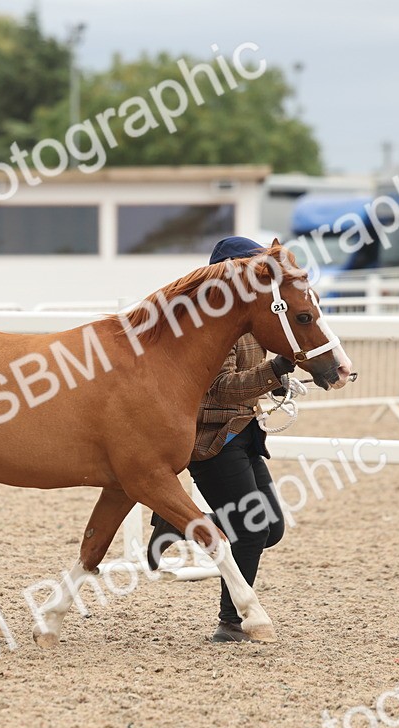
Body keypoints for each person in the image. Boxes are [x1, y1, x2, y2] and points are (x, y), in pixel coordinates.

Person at [145, 236, 295, 643]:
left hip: (243, 432)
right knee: (252, 528)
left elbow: (246, 380)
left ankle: (177, 524)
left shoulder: (248, 317)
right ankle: (232, 621)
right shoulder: (210, 327)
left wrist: (275, 378)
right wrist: (273, 371)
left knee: (273, 528)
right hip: (212, 439)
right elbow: (219, 388)